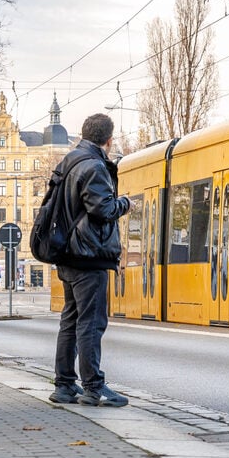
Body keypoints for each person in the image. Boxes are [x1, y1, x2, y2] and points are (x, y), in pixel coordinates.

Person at [49, 113, 132, 407]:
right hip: (89, 255)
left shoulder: (68, 161)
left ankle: (64, 385)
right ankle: (94, 387)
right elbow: (102, 209)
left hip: (67, 254)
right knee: (91, 323)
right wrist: (126, 203)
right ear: (108, 139)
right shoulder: (94, 165)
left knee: (70, 320)